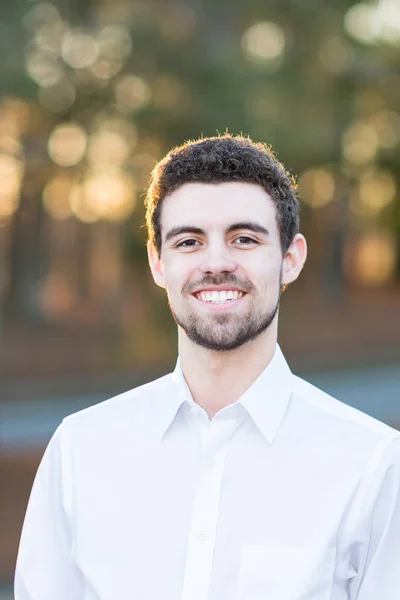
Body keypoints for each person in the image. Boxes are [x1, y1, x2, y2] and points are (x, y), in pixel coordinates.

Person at [15, 134, 400, 600]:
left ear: (290, 259)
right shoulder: (80, 451)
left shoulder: (374, 465)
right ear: (159, 263)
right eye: (190, 241)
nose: (216, 263)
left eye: (243, 238)